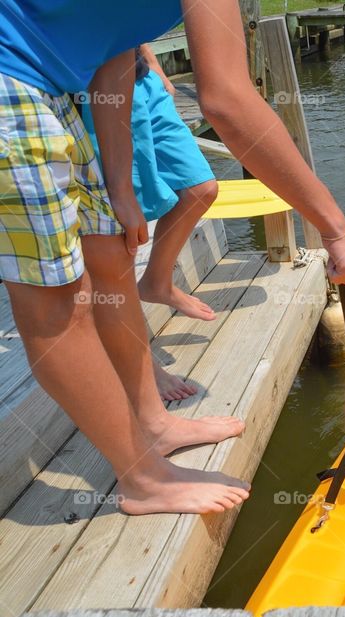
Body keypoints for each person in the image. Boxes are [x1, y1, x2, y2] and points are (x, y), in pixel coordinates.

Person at [0, 0, 345, 515]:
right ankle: (143, 478)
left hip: (54, 91)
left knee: (110, 251)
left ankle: (153, 422)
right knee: (57, 307)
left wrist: (121, 187)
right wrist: (335, 227)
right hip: (10, 84)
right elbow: (227, 103)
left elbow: (114, 52)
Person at [81, 44, 217, 402]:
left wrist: (153, 62)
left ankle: (157, 281)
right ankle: (143, 366)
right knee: (119, 234)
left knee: (200, 188)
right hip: (94, 82)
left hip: (142, 77)